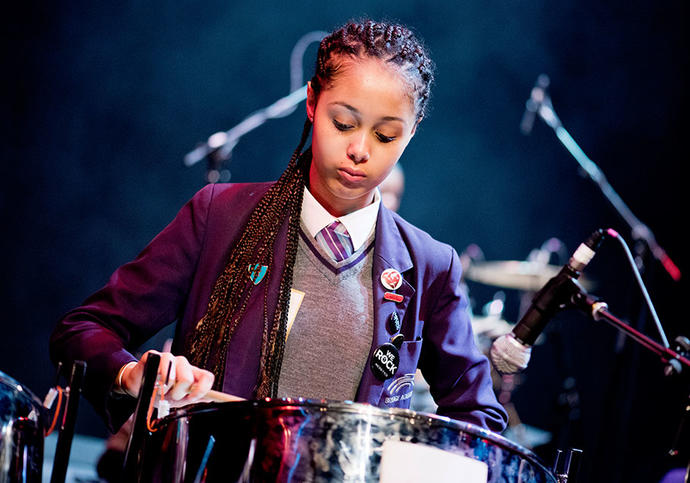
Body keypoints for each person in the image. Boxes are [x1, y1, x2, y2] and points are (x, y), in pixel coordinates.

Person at [50, 19, 508, 436]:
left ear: (413, 131)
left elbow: (479, 418)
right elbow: (84, 330)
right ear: (312, 102)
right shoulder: (220, 217)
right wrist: (134, 375)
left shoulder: (429, 265)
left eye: (386, 135)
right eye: (344, 123)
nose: (360, 150)